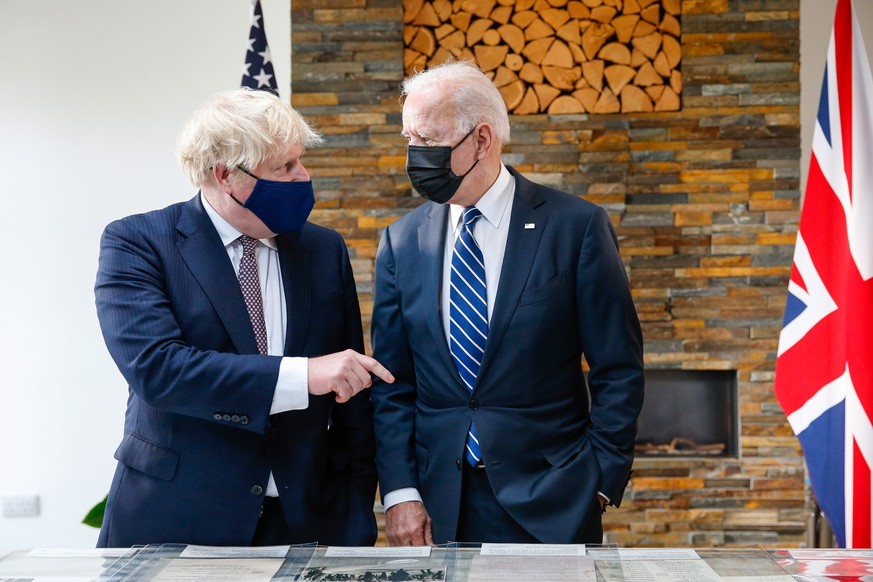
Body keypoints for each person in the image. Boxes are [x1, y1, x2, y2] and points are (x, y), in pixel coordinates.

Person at [94, 87, 394, 547]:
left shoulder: (323, 249)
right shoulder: (139, 242)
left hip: (308, 522)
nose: (303, 177)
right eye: (284, 168)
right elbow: (159, 370)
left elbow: (351, 393)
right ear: (225, 175)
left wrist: (356, 507)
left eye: (300, 161)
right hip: (178, 519)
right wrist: (303, 374)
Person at [370, 61, 645, 545]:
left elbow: (617, 366)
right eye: (408, 139)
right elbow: (393, 386)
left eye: (429, 140)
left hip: (554, 499)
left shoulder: (575, 228)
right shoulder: (402, 241)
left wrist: (600, 480)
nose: (415, 155)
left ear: (482, 139)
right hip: (439, 505)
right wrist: (400, 493)